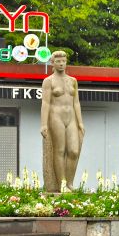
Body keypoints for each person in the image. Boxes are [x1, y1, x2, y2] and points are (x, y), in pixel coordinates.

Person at [41, 51, 84, 191]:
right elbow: (45, 103)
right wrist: (43, 124)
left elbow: (76, 102)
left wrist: (80, 122)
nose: (61, 64)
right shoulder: (49, 81)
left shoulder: (73, 80)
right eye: (58, 61)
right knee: (59, 150)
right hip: (56, 116)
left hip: (71, 117)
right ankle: (62, 184)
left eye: (63, 61)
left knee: (73, 151)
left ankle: (70, 182)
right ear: (52, 63)